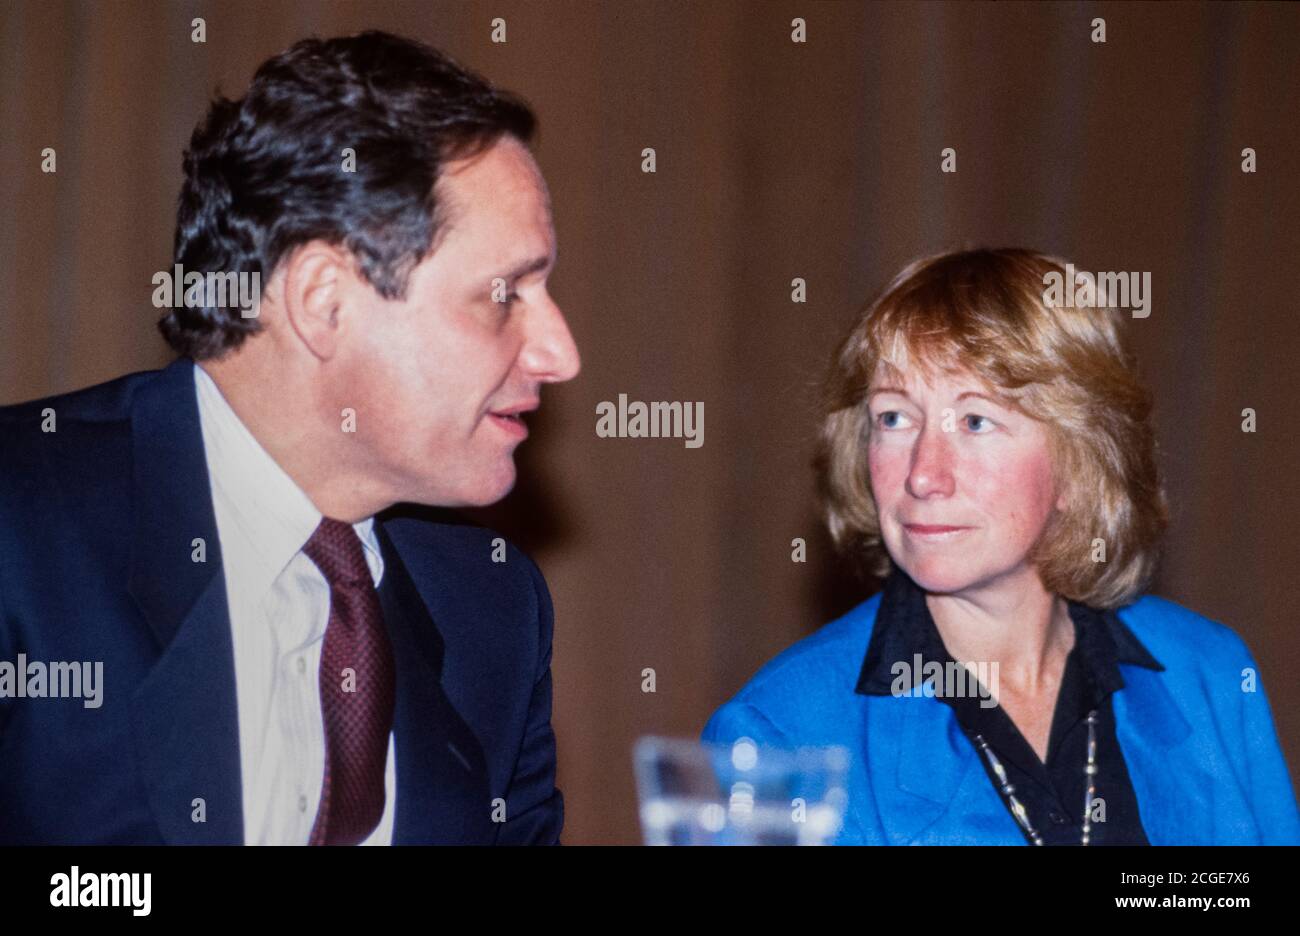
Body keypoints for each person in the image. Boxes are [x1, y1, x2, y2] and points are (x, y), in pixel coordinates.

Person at [0, 31, 580, 845]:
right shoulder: (21, 533)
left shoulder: (491, 609)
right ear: (321, 301)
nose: (562, 354)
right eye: (502, 296)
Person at [703, 248, 1299, 845]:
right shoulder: (779, 737)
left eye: (975, 421)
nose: (922, 476)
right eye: (893, 419)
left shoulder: (1211, 673)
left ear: (1079, 459)